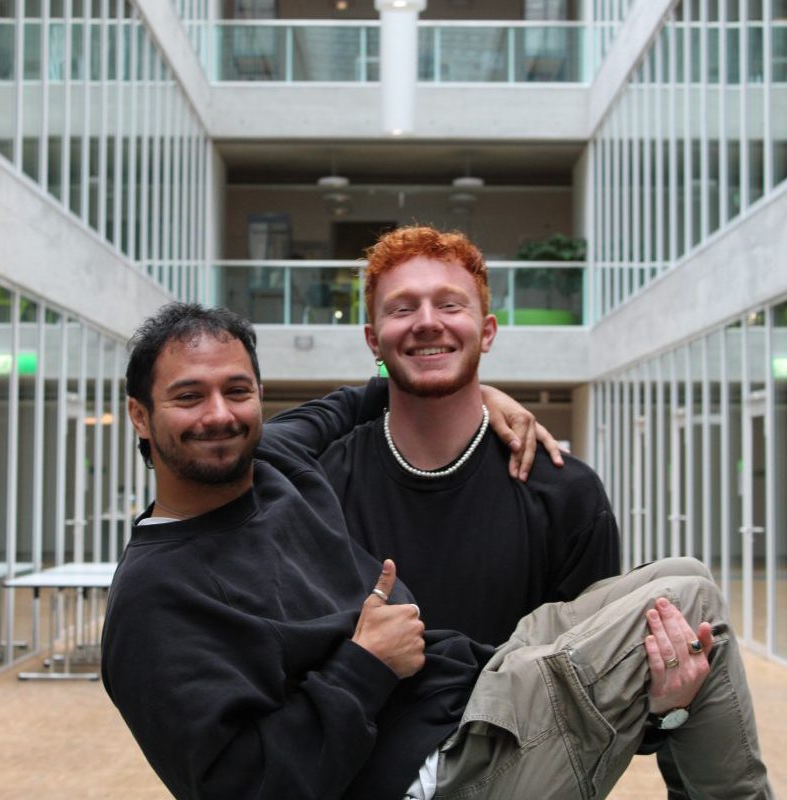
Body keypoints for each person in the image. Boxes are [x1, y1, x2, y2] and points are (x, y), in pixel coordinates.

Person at [101, 302, 772, 799]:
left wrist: (478, 394)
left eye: (237, 390)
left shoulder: (275, 457)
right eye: (188, 396)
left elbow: (364, 398)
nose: (220, 414)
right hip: (437, 776)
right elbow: (241, 788)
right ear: (140, 415)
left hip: (466, 695)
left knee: (685, 574)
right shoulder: (154, 599)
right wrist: (363, 667)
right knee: (688, 600)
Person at [315, 225, 619, 647]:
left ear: (487, 331)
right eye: (402, 309)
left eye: (449, 305)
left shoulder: (568, 495)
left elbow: (596, 666)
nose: (427, 322)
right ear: (373, 341)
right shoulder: (322, 490)